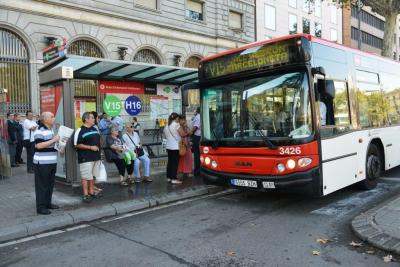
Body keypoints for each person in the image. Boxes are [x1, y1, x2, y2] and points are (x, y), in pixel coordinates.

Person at [33, 112, 60, 215]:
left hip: (52, 161)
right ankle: (40, 207)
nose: (54, 118)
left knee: (49, 184)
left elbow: (51, 145)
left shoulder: (51, 130)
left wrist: (59, 146)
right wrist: (54, 140)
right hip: (42, 163)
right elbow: (39, 146)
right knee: (42, 185)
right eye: (52, 117)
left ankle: (48, 203)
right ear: (45, 119)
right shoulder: (39, 130)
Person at [74, 112, 102, 203]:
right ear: (86, 119)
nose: (94, 119)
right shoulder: (80, 130)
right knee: (86, 176)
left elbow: (99, 142)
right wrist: (90, 147)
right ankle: (85, 194)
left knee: (93, 175)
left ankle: (91, 191)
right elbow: (77, 144)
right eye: (92, 118)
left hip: (96, 157)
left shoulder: (95, 128)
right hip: (85, 157)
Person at [164, 112, 187, 184]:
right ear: (176, 118)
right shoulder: (176, 125)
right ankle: (174, 178)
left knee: (170, 162)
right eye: (178, 118)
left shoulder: (167, 126)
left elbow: (165, 136)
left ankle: (169, 177)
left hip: (168, 146)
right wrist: (186, 132)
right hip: (175, 146)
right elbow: (182, 134)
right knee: (175, 163)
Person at [191, 107, 201, 176]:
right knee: (198, 154)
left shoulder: (198, 117)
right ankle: (199, 169)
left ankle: (197, 170)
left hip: (197, 137)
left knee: (197, 154)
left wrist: (190, 133)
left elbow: (195, 127)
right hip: (199, 136)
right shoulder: (199, 116)